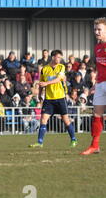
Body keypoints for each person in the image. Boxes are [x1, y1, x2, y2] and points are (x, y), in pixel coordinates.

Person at [29, 49, 77, 149]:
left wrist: (46, 83)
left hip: (60, 98)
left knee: (66, 120)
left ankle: (73, 139)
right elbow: (41, 82)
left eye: (60, 57)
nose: (59, 59)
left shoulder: (61, 67)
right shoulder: (44, 69)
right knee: (43, 119)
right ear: (53, 57)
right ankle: (39, 142)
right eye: (58, 57)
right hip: (49, 99)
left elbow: (59, 79)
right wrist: (39, 95)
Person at [81, 18, 106, 155]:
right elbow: (100, 68)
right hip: (101, 84)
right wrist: (95, 85)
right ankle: (94, 145)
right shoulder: (97, 47)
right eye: (95, 29)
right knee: (96, 115)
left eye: (99, 29)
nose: (96, 32)